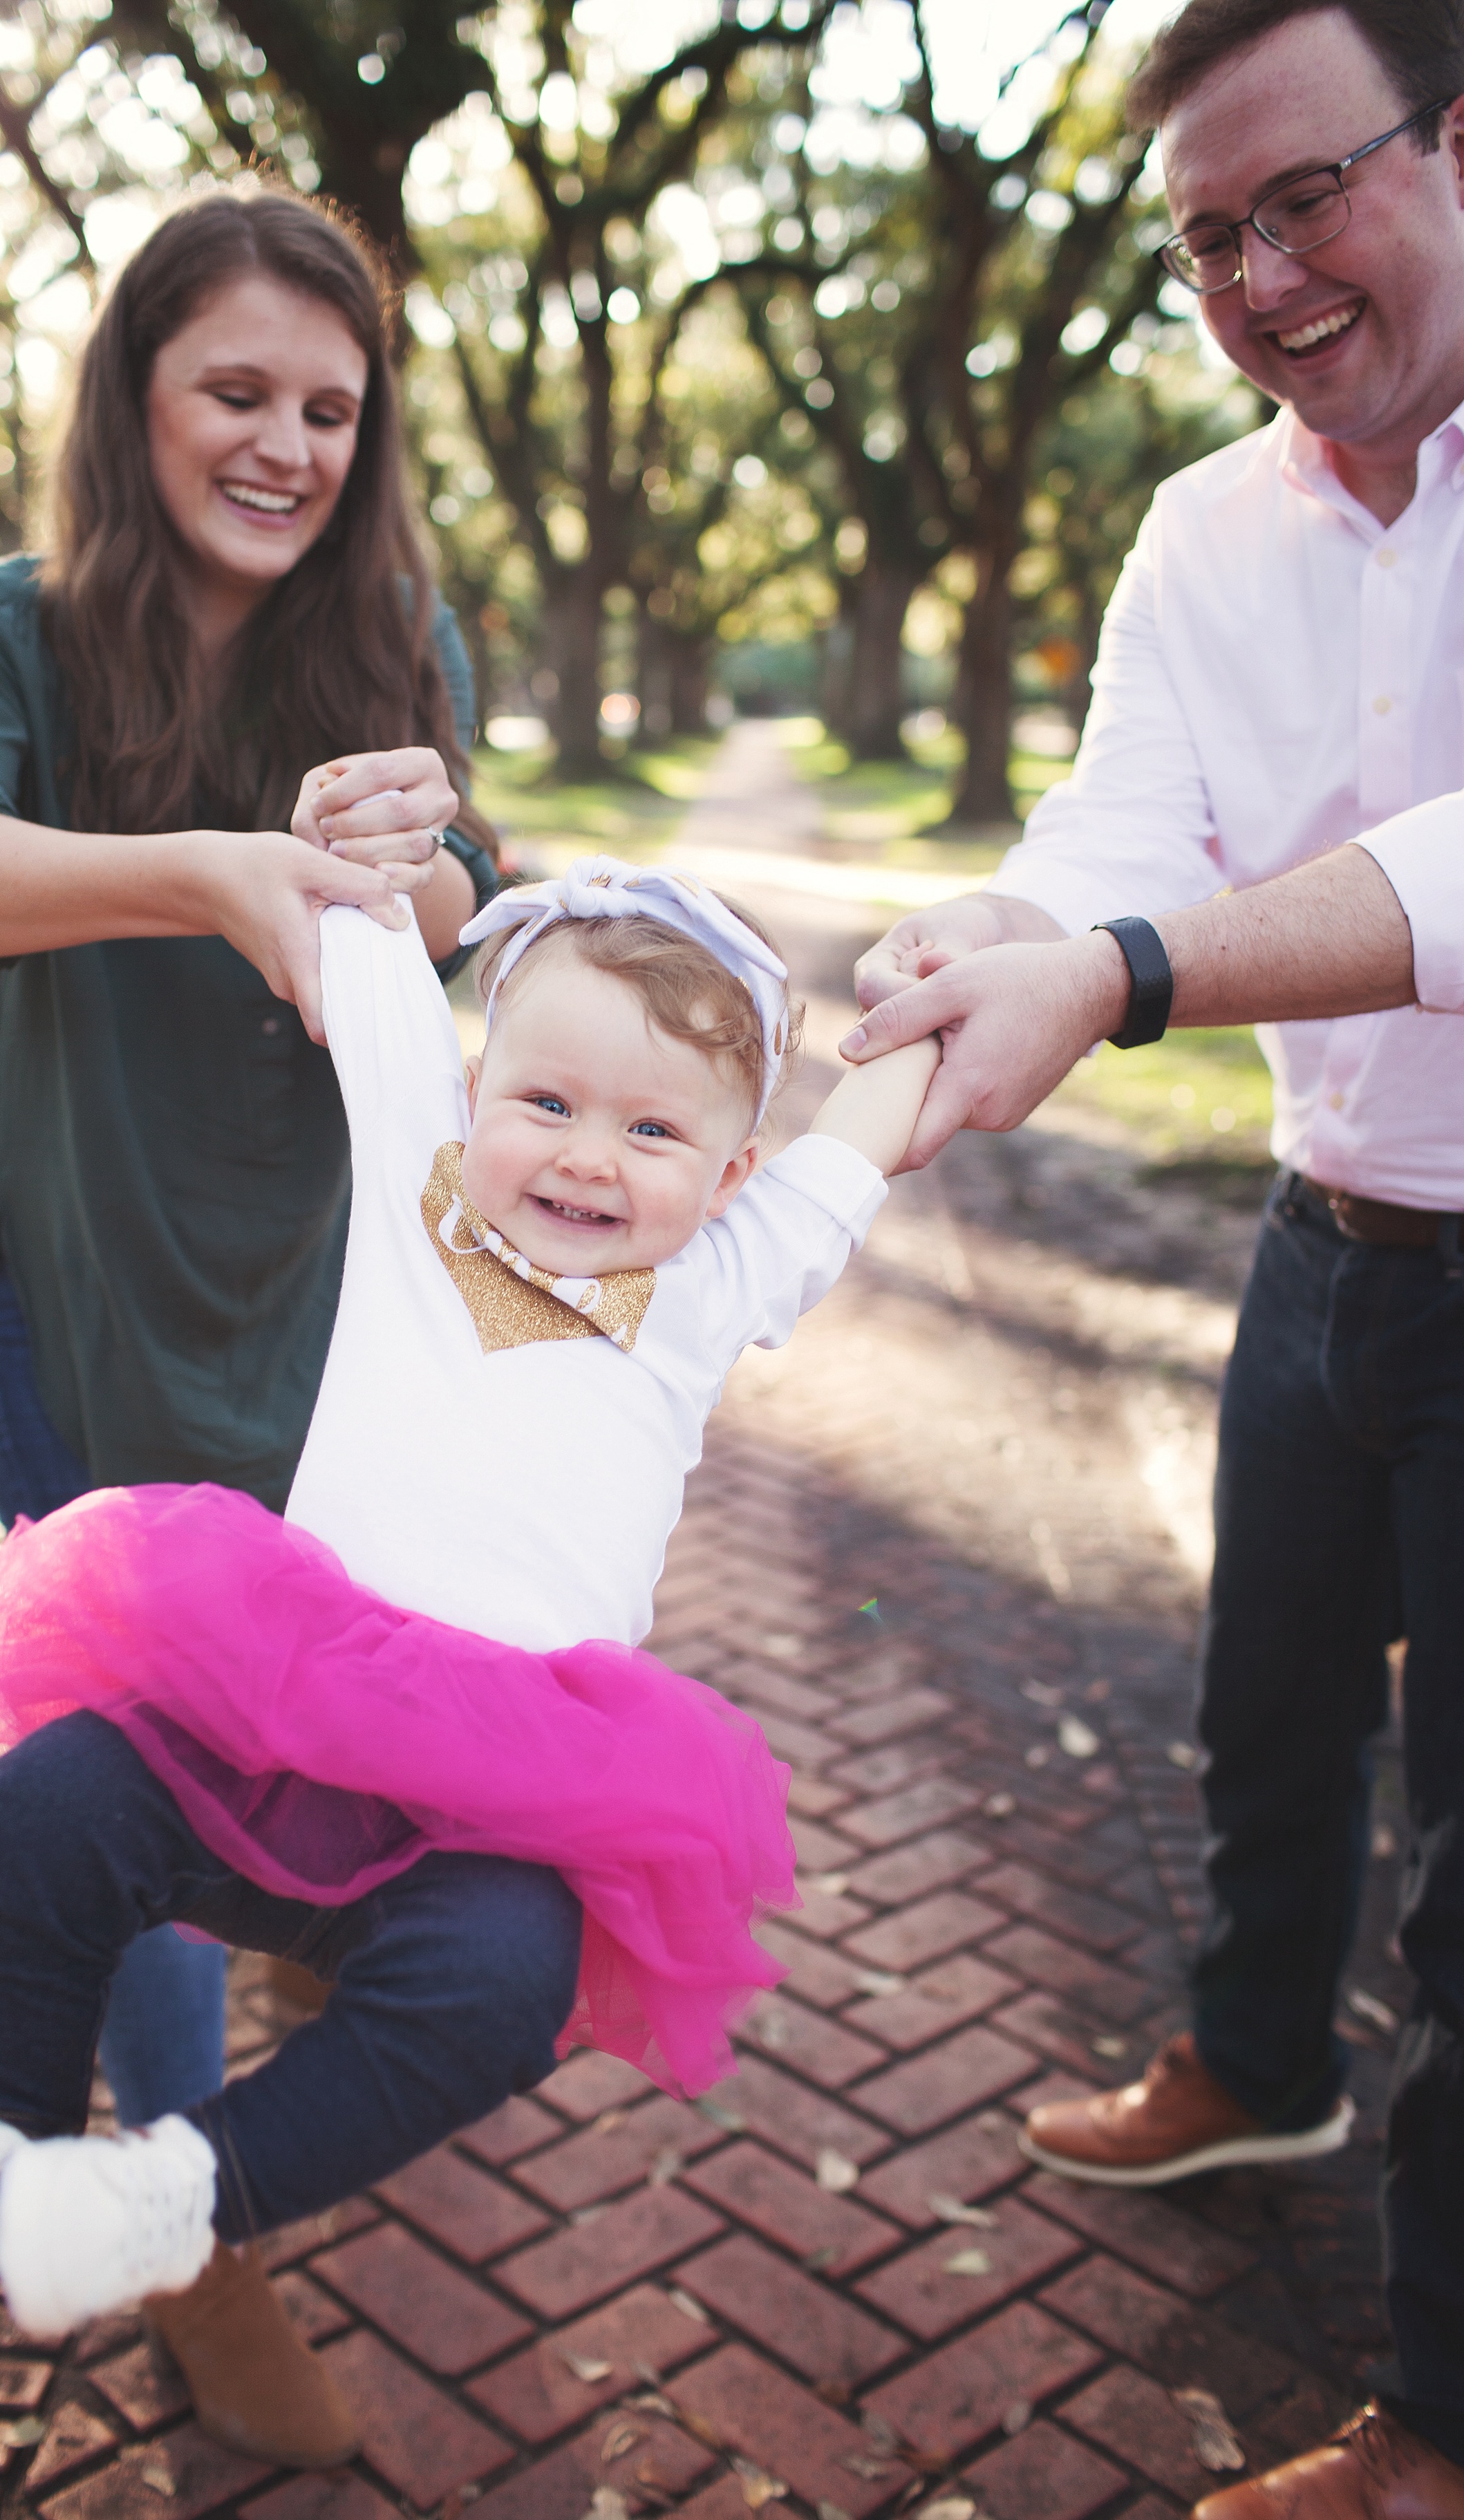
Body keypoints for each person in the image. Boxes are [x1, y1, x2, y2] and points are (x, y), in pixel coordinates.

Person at [0, 863, 940, 2374]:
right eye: (549, 1101)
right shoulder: (424, 1181)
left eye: (655, 1131)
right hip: (275, 1712)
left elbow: (856, 1148)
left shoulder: (717, 1284)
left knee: (508, 1979)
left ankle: (175, 2193)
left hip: (501, 1795)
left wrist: (929, 1004)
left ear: (731, 1178)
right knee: (49, 1801)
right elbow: (376, 952)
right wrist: (364, 836)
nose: (590, 1157)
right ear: (479, 1093)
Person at [844, 4, 1464, 2512]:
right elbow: (1116, 827)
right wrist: (980, 946)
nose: (1261, 273)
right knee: (1266, 1694)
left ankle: (1434, 2428)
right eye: (1212, 233)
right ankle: (1248, 2058)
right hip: (1333, 1243)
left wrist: (1117, 980)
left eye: (1305, 194)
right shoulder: (1204, 529)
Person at [0, 178, 497, 2459]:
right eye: (238, 388)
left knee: (304, 1703)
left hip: (323, 1310)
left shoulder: (396, 632)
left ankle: (262, 1978)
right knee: (121, 1767)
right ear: (134, 397)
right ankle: (181, 2217)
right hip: (76, 1292)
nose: (289, 443)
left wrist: (399, 870)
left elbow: (457, 897)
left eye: (331, 404)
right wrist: (208, 869)